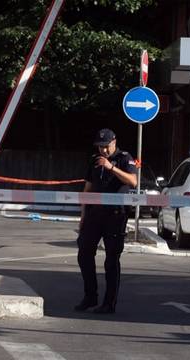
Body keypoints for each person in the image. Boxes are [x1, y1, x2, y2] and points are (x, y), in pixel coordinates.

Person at [75, 128, 138, 314]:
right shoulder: (94, 161)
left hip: (115, 215)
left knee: (111, 259)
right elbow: (87, 190)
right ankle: (90, 296)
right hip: (94, 215)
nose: (103, 150)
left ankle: (109, 303)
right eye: (99, 147)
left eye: (106, 146)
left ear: (114, 142)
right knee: (84, 254)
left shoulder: (125, 158)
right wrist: (83, 216)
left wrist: (111, 167)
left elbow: (133, 181)